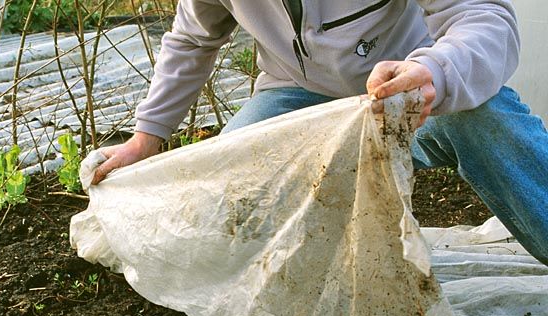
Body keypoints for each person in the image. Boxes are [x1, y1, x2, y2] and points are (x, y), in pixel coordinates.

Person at [91, 0, 548, 265]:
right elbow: (192, 40)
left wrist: (434, 71)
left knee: (489, 119)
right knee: (224, 198)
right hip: (297, 94)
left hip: (405, 94)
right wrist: (144, 137)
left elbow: (482, 14)